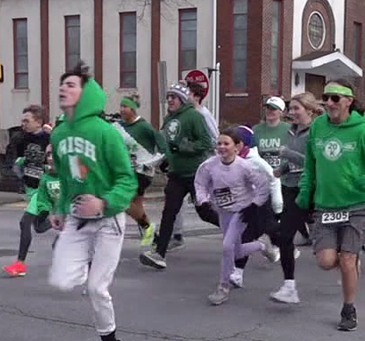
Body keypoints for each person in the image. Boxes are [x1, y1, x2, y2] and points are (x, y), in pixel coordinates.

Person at [43, 63, 138, 341]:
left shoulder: (105, 132)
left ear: (86, 93)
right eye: (61, 84)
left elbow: (127, 179)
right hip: (76, 219)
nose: (63, 88)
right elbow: (65, 177)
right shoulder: (59, 134)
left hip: (108, 219)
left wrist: (103, 202)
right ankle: (88, 264)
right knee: (61, 279)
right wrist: (59, 208)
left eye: (71, 84)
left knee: (97, 288)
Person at [297, 79, 365, 331]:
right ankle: (349, 261)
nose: (329, 103)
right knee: (326, 261)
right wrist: (305, 191)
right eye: (326, 98)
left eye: (335, 98)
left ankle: (348, 309)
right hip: (326, 205)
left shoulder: (363, 131)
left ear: (349, 101)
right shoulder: (318, 127)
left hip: (356, 205)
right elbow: (310, 164)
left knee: (347, 259)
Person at [139, 82, 218, 270]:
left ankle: (236, 230)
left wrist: (183, 147)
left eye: (173, 97)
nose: (169, 100)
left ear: (182, 99)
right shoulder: (168, 119)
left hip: (195, 174)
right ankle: (160, 254)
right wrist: (165, 159)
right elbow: (167, 144)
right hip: (176, 174)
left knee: (205, 212)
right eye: (168, 97)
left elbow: (207, 142)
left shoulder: (194, 117)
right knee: (169, 213)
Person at [194, 128, 276, 305]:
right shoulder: (209, 165)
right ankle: (261, 245)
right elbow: (200, 183)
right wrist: (204, 201)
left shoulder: (244, 166)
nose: (222, 147)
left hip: (241, 211)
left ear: (236, 147)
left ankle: (223, 288)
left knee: (226, 247)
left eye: (226, 144)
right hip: (223, 211)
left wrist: (254, 205)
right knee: (235, 251)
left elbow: (263, 185)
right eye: (219, 143)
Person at [269, 92, 321, 304]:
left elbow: (315, 161)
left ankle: (348, 263)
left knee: (288, 234)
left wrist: (287, 154)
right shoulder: (291, 131)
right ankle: (289, 286)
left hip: (309, 188)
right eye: (290, 108)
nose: (292, 112)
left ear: (310, 110)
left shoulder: (316, 132)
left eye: (296, 108)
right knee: (285, 235)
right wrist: (281, 169)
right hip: (289, 186)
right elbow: (292, 161)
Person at [2, 105, 52, 277]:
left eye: (26, 121)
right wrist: (18, 170)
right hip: (30, 187)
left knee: (24, 223)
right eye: (22, 121)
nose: (23, 124)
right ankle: (59, 222)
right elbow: (14, 158)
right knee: (39, 227)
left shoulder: (49, 138)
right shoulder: (21, 138)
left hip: (44, 188)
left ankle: (20, 264)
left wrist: (48, 168)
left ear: (38, 122)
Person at [114, 93, 166, 246]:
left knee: (123, 200)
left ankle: (148, 228)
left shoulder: (144, 127)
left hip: (142, 172)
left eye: (125, 107)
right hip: (128, 171)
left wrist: (150, 163)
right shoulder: (118, 126)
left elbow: (163, 148)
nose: (122, 110)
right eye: (121, 106)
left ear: (133, 109)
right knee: (137, 206)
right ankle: (154, 239)